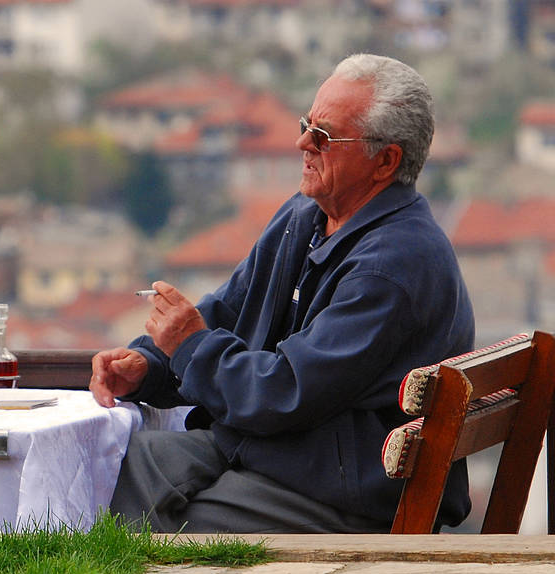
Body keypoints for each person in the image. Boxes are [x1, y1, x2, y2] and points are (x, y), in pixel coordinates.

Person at [91, 53, 474, 533]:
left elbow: (287, 392)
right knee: (136, 461)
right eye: (306, 125)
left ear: (385, 161)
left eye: (325, 136)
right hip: (288, 449)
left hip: (348, 489)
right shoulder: (307, 216)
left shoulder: (393, 266)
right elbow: (230, 310)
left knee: (174, 517)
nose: (302, 143)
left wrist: (188, 345)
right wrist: (151, 362)